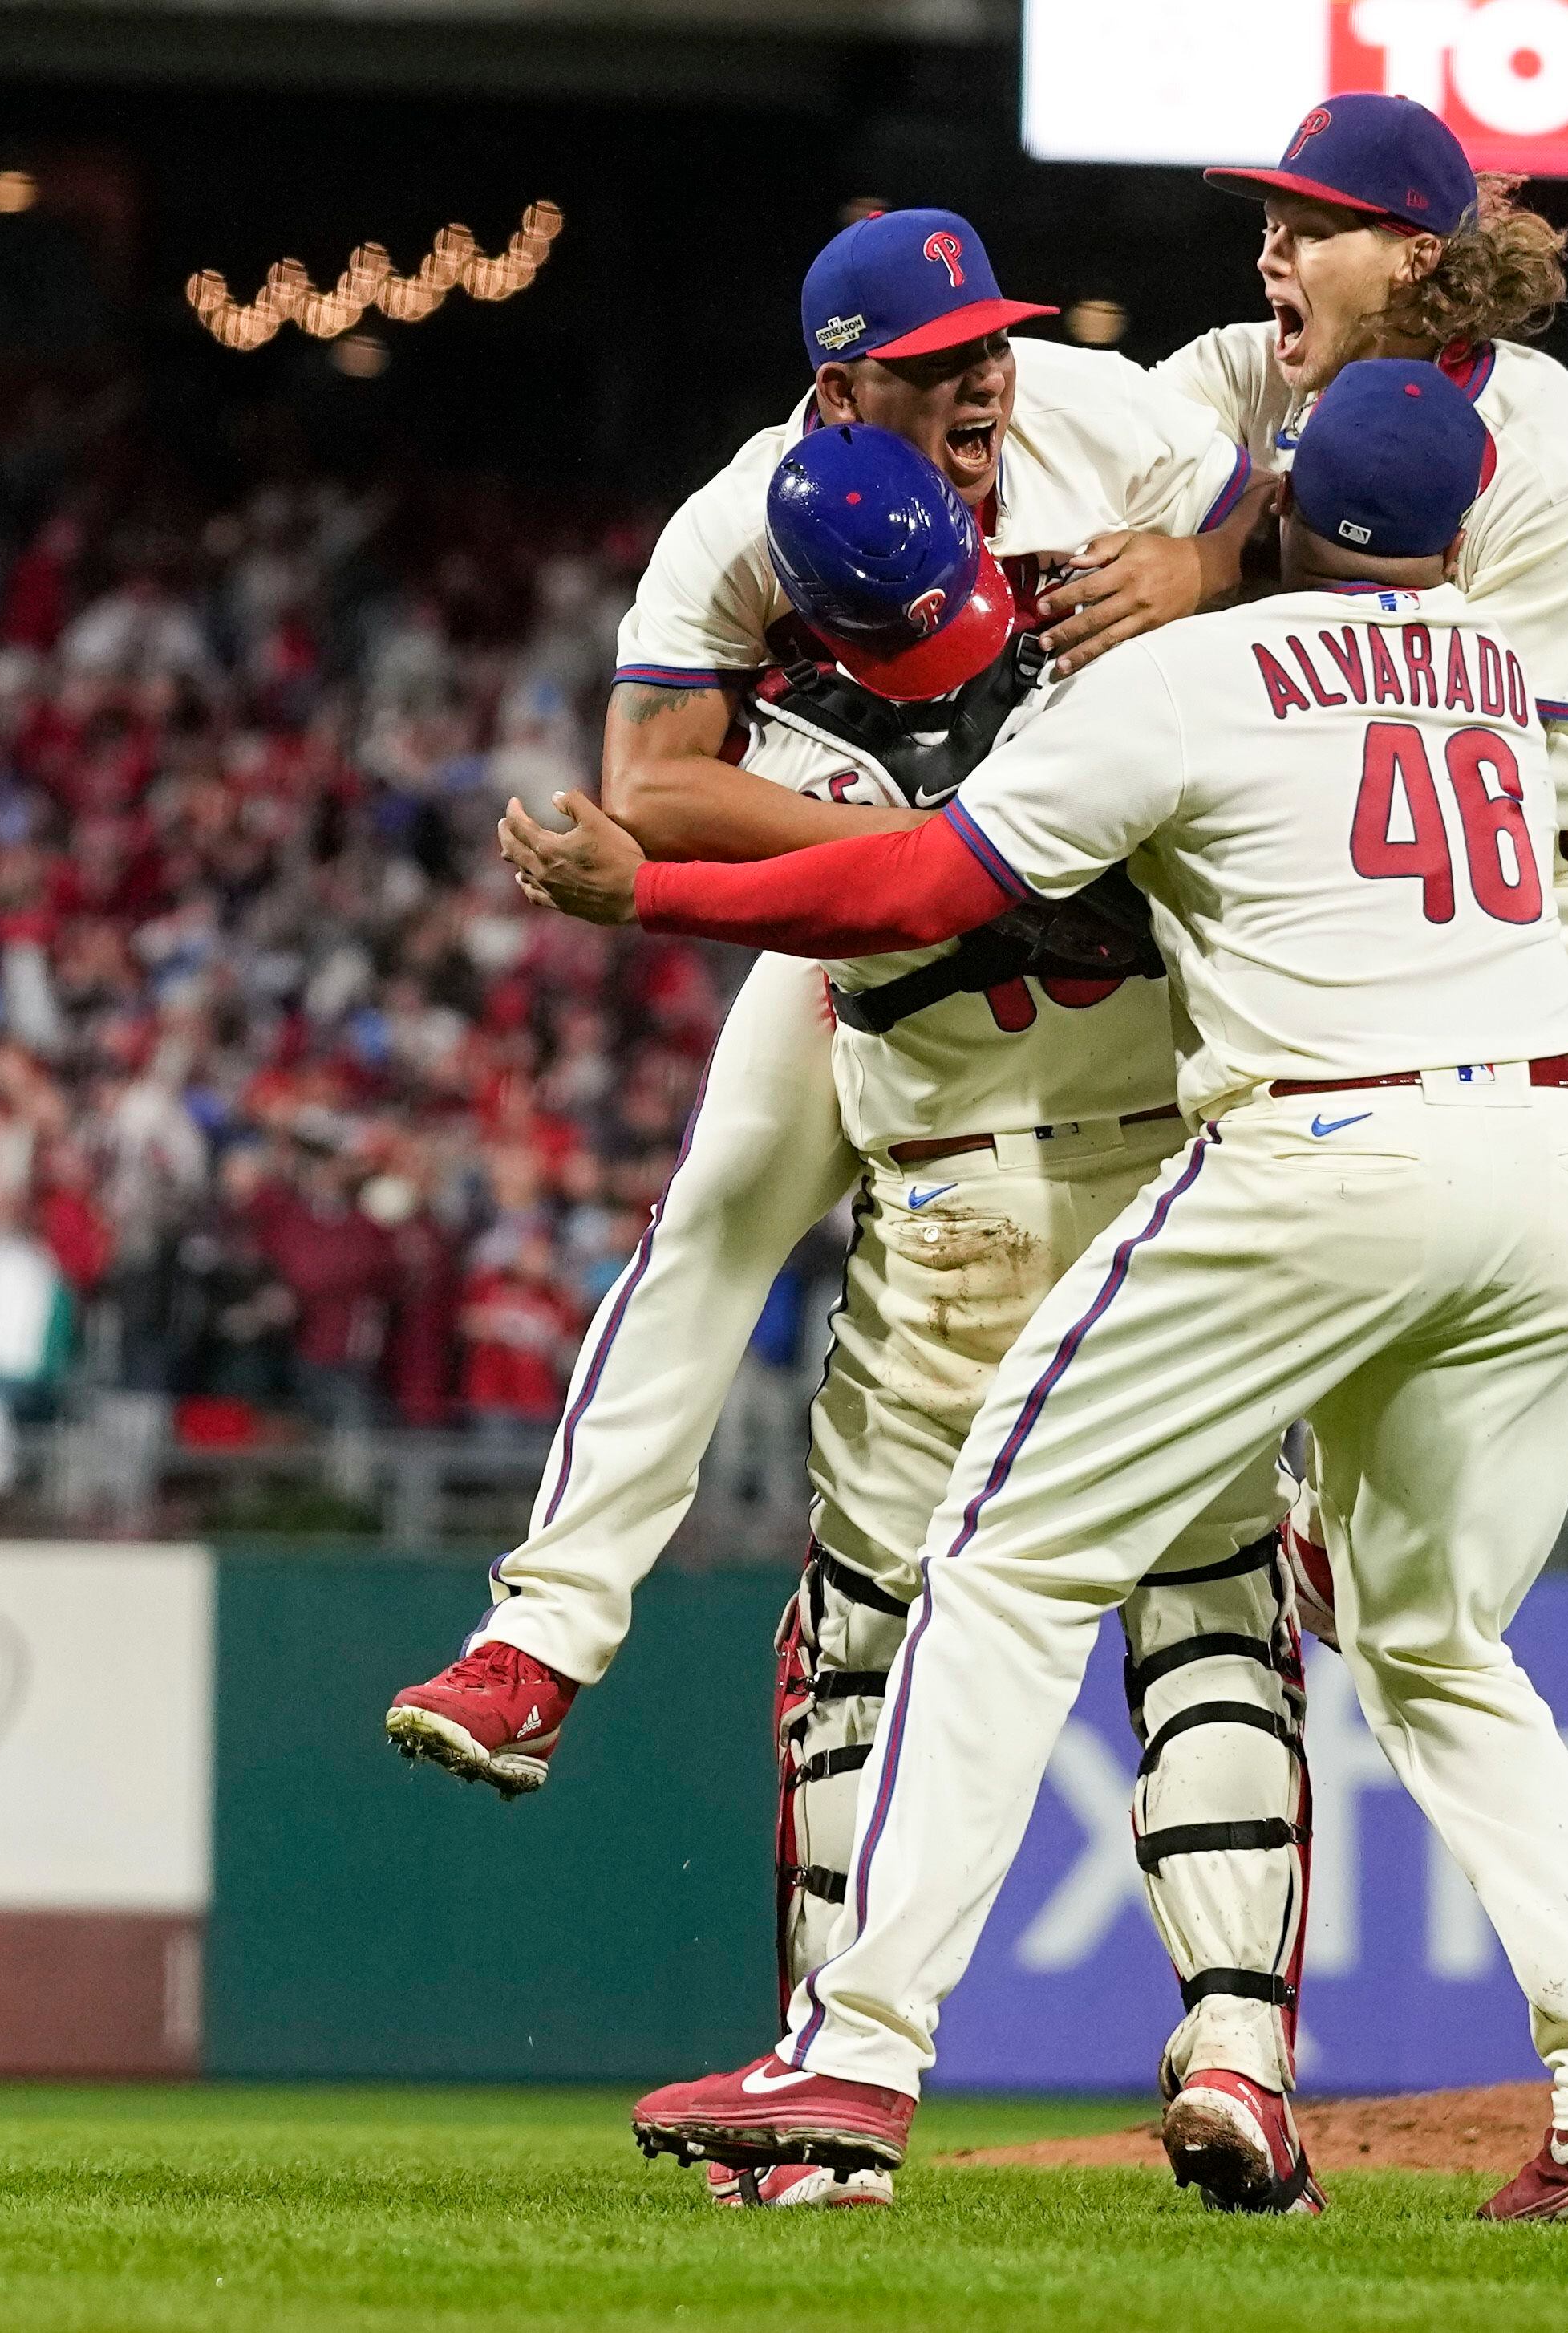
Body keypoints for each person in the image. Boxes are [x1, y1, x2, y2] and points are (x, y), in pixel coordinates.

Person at [551, 361, 1568, 2226]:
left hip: (1329, 1158)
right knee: (1429, 1639)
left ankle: (856, 2044)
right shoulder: (1500, 669)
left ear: (1279, 516)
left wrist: (661, 887)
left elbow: (924, 877)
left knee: (1000, 1563)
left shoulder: (1195, 671)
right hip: (1546, 1176)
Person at [399, 420, 1319, 2216]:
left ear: (814, 625)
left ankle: (831, 2092)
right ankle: (1237, 2049)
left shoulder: (803, 754)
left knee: (862, 1647)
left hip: (957, 1208)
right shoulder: (1142, 673)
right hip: (1170, 1195)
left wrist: (653, 888)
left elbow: (847, 872)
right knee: (1208, 1613)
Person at [1104, 91, 1568, 2076]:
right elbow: (1059, 400)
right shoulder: (1255, 374)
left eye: (1310, 229)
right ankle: (1339, 1526)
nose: (1269, 258)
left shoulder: (1555, 461)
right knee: (1343, 1266)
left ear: (1420, 263)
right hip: (1445, 911)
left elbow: (1386, 714)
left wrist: (1207, 573)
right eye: (1265, 223)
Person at [390, 204, 1272, 1771]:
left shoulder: (1099, 410)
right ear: (845, 387)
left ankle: (1327, 1510)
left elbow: (1276, 523)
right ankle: (539, 1638)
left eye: (987, 339)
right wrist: (912, 850)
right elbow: (649, 781)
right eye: (939, 362)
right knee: (722, 1203)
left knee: (1311, 1119)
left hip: (1117, 895)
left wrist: (1202, 561)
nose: (984, 377)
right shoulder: (742, 517)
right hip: (878, 897)